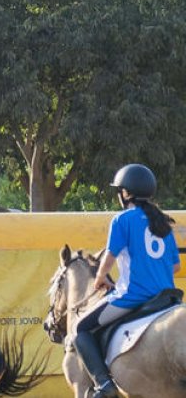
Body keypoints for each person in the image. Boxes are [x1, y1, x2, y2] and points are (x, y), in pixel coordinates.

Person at [72, 163, 180, 398]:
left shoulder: (122, 220)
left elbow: (109, 258)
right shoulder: (163, 222)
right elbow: (176, 266)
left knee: (80, 329)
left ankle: (104, 385)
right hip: (167, 297)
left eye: (120, 191)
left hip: (134, 295)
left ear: (126, 193)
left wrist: (100, 279)